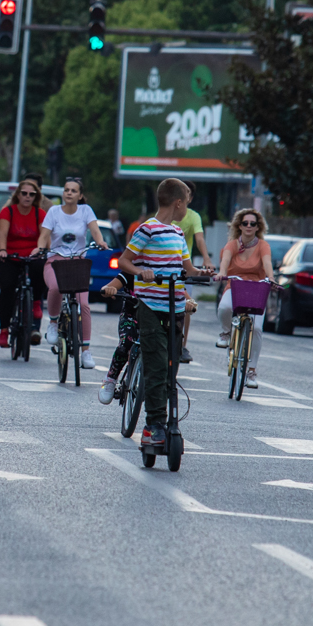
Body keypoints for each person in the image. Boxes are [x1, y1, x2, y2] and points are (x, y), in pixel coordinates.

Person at [123, 179, 196, 455]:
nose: (187, 207)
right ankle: (153, 425)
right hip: (151, 306)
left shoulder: (178, 233)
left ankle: (165, 423)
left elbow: (187, 268)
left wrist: (204, 273)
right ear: (178, 203)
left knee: (170, 369)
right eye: (186, 202)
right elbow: (125, 260)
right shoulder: (147, 229)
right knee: (156, 367)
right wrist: (140, 272)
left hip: (175, 307)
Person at [38, 177, 108, 370]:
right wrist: (40, 248)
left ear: (80, 195)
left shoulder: (86, 211)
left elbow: (95, 231)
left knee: (83, 304)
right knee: (55, 287)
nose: (69, 193)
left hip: (78, 263)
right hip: (55, 261)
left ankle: (85, 352)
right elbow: (44, 236)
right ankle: (53, 323)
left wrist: (100, 242)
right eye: (66, 190)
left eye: (73, 190)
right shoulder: (53, 212)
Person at [214, 208, 275, 388]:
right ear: (239, 226)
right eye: (245, 223)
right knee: (224, 308)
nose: (249, 226)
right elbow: (225, 261)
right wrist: (222, 273)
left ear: (258, 227)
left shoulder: (263, 245)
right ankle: (226, 333)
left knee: (257, 328)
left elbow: (267, 263)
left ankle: (252, 371)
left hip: (257, 288)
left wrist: (271, 277)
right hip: (235, 286)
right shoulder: (232, 245)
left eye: (253, 223)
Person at [0, 177, 45, 349]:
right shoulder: (7, 212)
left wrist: (42, 250)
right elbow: (2, 234)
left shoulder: (39, 213)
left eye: (31, 194)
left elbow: (44, 236)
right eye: (24, 193)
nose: (27, 197)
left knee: (41, 267)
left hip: (32, 255)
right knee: (7, 288)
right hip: (10, 255)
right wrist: (3, 250)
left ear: (36, 196)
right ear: (18, 195)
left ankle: (36, 302)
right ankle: (4, 331)